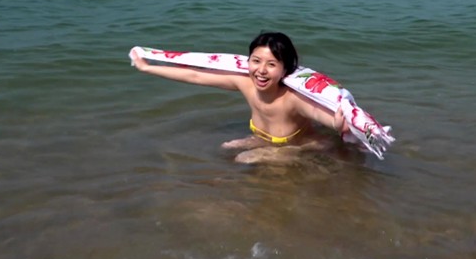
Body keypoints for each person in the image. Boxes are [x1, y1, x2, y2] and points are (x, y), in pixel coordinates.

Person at [130, 32, 348, 163]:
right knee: (226, 147)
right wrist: (148, 67)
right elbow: (196, 75)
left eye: (271, 64)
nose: (261, 70)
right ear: (248, 61)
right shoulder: (245, 82)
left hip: (297, 145)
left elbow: (316, 110)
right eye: (256, 61)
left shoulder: (292, 97)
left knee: (243, 159)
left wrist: (335, 123)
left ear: (285, 69)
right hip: (263, 138)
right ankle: (262, 148)